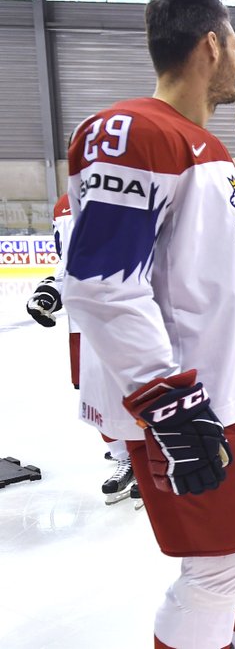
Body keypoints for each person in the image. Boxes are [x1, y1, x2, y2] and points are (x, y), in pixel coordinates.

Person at [62, 0, 235, 648]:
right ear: (211, 47)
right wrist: (165, 399)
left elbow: (224, 283)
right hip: (190, 400)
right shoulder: (133, 134)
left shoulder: (209, 149)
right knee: (218, 567)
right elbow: (101, 282)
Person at [26, 191, 137, 505]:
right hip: (86, 319)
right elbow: (68, 264)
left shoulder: (135, 188)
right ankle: (124, 458)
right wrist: (50, 290)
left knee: (144, 387)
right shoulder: (64, 204)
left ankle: (152, 456)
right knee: (98, 393)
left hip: (137, 307)